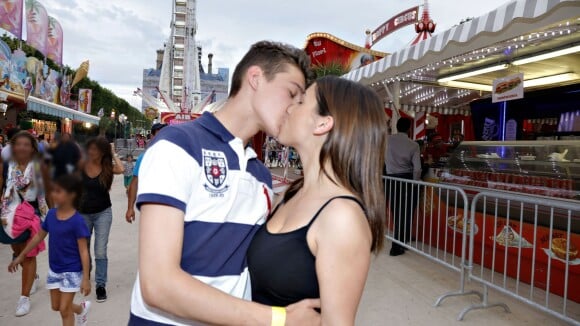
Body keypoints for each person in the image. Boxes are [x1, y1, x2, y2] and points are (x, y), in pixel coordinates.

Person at [129, 41, 320, 325]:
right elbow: (158, 285)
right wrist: (277, 319)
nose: (294, 108)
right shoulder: (178, 145)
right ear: (255, 78)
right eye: (292, 93)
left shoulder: (261, 176)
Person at [246, 76, 387, 324]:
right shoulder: (291, 193)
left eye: (300, 101)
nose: (289, 106)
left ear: (323, 124)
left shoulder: (342, 217)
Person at [8, 174, 92, 326]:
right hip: (55, 269)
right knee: (56, 306)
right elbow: (38, 236)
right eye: (54, 190)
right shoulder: (52, 215)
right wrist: (21, 255)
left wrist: (85, 278)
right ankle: (81, 310)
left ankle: (76, 315)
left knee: (64, 310)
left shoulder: (77, 221)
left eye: (58, 191)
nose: (53, 194)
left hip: (72, 270)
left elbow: (84, 251)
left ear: (71, 195)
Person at [0, 131, 51, 316]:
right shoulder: (8, 164)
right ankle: (34, 277)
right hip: (10, 210)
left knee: (28, 255)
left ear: (32, 148)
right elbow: (2, 185)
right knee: (17, 251)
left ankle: (24, 298)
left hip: (33, 211)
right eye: (18, 144)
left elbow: (48, 190)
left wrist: (54, 215)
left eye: (26, 144)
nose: (22, 147)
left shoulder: (39, 166)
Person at [79, 137, 124, 303]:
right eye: (90, 148)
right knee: (83, 248)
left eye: (96, 149)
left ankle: (100, 284)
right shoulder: (81, 164)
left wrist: (112, 152)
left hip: (103, 213)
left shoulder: (107, 167)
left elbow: (121, 168)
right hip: (82, 213)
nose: (92, 151)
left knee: (100, 250)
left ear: (102, 152)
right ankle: (86, 273)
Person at [385, 118, 422, 256]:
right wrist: (415, 182)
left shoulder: (387, 140)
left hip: (390, 179)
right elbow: (417, 169)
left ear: (396, 126)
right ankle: (397, 245)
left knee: (396, 211)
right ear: (409, 129)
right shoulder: (413, 145)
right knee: (405, 213)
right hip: (407, 180)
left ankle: (402, 239)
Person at [124, 123, 166, 224]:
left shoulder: (177, 157)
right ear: (152, 137)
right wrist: (130, 208)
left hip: (170, 207)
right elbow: (134, 183)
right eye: (159, 135)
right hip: (149, 207)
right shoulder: (144, 158)